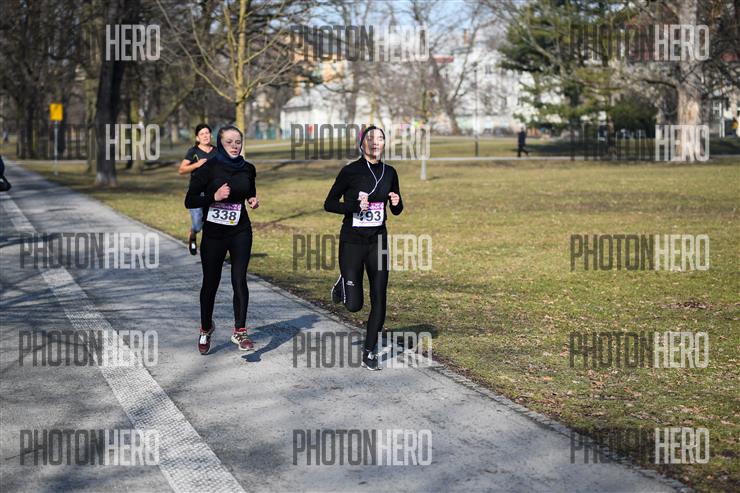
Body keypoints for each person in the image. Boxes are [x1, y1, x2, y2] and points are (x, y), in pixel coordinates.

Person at [324, 125, 403, 371]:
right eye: (370, 138)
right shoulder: (350, 171)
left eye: (380, 138)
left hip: (378, 241)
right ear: (362, 144)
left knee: (379, 296)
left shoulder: (390, 172)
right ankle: (343, 281)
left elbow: (397, 210)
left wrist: (396, 202)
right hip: (352, 241)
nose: (375, 142)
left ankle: (369, 351)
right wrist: (354, 207)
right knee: (354, 305)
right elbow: (329, 204)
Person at [185, 125, 259, 355]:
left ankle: (240, 330)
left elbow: (250, 190)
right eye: (229, 142)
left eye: (238, 142)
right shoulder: (208, 168)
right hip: (214, 234)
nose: (234, 146)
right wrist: (213, 196)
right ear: (220, 143)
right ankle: (206, 327)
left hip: (240, 230)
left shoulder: (248, 168)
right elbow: (190, 200)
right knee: (211, 282)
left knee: (239, 279)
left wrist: (252, 199)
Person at [179, 124, 216, 255]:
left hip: (213, 193)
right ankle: (193, 235)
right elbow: (181, 170)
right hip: (196, 193)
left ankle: (210, 251)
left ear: (211, 135)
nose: (205, 136)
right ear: (197, 138)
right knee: (197, 224)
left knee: (211, 223)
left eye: (207, 133)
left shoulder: (217, 151)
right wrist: (197, 164)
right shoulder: (193, 152)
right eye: (202, 134)